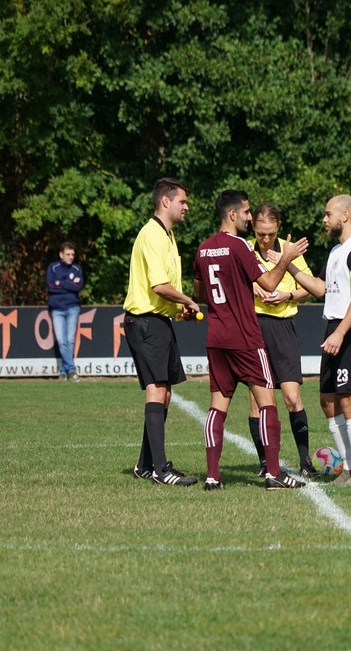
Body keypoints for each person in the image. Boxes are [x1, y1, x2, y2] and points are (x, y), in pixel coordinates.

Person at [193, 190, 310, 491]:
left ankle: (212, 476)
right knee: (267, 402)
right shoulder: (240, 246)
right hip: (245, 335)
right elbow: (269, 283)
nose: (249, 216)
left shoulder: (203, 249)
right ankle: (274, 473)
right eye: (246, 212)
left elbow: (200, 293)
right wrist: (286, 258)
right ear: (232, 214)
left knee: (217, 405)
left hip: (216, 336)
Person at [288, 194, 351, 488]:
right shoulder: (337, 251)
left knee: (348, 399)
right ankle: (348, 469)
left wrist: (340, 333)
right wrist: (288, 264)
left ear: (345, 215)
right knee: (328, 400)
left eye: (328, 214)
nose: (324, 220)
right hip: (335, 328)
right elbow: (319, 288)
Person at [124, 177, 200, 486]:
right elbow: (159, 286)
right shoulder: (152, 234)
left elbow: (161, 290)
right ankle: (160, 469)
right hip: (144, 321)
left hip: (159, 321)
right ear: (165, 201)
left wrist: (178, 309)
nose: (186, 207)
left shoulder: (167, 235)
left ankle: (145, 466)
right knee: (157, 390)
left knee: (165, 392)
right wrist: (187, 300)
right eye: (182, 201)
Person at [246, 202, 319, 479]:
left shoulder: (289, 252)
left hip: (284, 327)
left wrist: (286, 296)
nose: (265, 239)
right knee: (259, 400)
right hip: (254, 327)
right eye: (260, 233)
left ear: (278, 227)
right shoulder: (245, 249)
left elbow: (309, 288)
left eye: (271, 233)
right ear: (253, 227)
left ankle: (305, 461)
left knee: (291, 396)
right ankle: (265, 462)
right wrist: (252, 288)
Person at [46, 241, 84, 381]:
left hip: (73, 307)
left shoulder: (77, 269)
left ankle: (63, 371)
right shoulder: (53, 268)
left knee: (70, 340)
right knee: (62, 341)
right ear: (61, 255)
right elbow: (51, 286)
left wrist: (60, 283)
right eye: (68, 254)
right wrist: (69, 284)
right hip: (57, 308)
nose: (71, 257)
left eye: (72, 254)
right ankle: (72, 370)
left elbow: (78, 286)